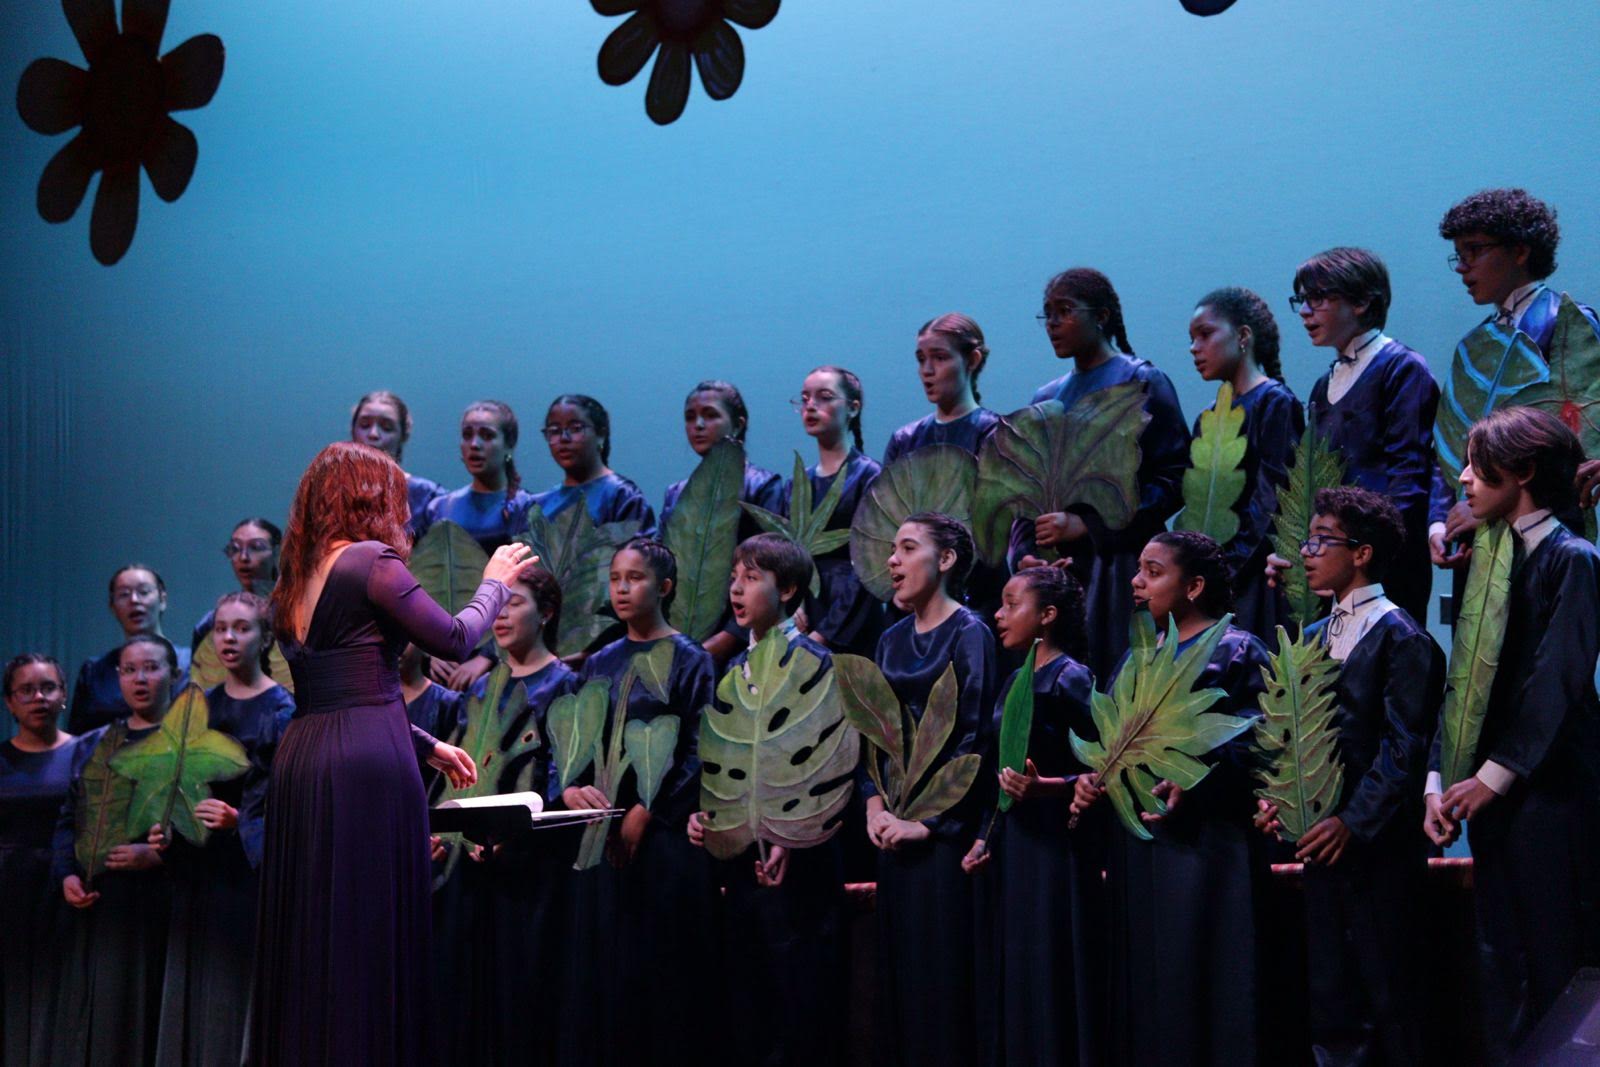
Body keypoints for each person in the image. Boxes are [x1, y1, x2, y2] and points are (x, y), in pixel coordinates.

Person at [248, 440, 535, 1066]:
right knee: (365, 929)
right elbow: (457, 640)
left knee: (319, 931)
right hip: (363, 767)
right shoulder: (371, 561)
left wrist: (426, 743)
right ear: (369, 498)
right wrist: (493, 584)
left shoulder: (292, 584)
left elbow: (335, 692)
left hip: (307, 758)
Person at [1423, 408, 1600, 1063]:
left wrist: (1492, 777)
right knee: (1503, 967)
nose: (1464, 479)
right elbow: (1463, 679)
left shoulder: (1572, 560)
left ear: (1522, 470)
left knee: (1560, 963)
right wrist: (1438, 780)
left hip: (1553, 796)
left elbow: (1555, 684)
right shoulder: (1484, 560)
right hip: (1491, 799)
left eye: (1477, 464)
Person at [1256, 487, 1442, 1065]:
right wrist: (1279, 802)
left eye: (1321, 541)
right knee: (1332, 1002)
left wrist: (1352, 823)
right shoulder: (1313, 637)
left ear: (1361, 553)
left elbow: (1404, 747)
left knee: (1390, 998)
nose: (1307, 552)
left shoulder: (1400, 635)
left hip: (1377, 848)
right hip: (1323, 851)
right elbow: (1296, 739)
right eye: (1307, 540)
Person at [1073, 531, 1271, 1067]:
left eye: (1153, 571)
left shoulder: (1237, 649)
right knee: (1149, 993)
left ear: (1194, 586)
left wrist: (1200, 785)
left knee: (1206, 985)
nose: (1136, 581)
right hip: (1140, 848)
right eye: (1138, 569)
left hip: (1208, 848)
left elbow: (1260, 740)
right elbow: (1112, 742)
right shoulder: (1138, 656)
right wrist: (1095, 780)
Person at [686, 533, 849, 1067]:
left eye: (752, 577)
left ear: (790, 588)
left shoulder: (815, 664)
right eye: (735, 576)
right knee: (749, 1010)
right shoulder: (733, 671)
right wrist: (709, 819)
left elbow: (828, 762)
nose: (736, 587)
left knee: (799, 1008)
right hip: (742, 871)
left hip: (800, 869)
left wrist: (788, 835)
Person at [557, 538, 717, 1067]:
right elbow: (574, 742)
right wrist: (570, 786)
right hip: (603, 837)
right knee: (608, 977)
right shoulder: (601, 660)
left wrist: (646, 813)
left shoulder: (690, 660)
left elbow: (698, 750)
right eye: (616, 579)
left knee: (664, 978)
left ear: (664, 587)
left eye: (636, 578)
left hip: (664, 839)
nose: (622, 588)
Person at [429, 566, 575, 1067]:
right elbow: (458, 770)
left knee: (524, 995)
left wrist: (519, 837)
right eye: (497, 604)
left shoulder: (564, 684)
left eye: (513, 602)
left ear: (547, 612)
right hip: (471, 866)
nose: (501, 614)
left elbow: (562, 775)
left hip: (529, 868)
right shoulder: (479, 690)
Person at [865, 513, 996, 1067]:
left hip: (943, 838)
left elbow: (974, 737)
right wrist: (873, 804)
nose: (892, 561)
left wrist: (929, 824)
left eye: (907, 548)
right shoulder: (890, 641)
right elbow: (870, 730)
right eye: (891, 550)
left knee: (942, 993)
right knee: (898, 987)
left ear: (944, 561)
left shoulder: (972, 632)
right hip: (890, 832)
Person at [961, 567, 1107, 1066]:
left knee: (1052, 968)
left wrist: (1048, 788)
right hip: (1017, 846)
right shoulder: (1014, 681)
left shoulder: (1071, 677)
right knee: (1020, 970)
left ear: (1047, 615)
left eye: (1010, 604)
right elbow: (1002, 776)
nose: (998, 615)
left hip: (1058, 849)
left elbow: (1106, 769)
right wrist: (985, 837)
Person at [1018, 268, 1191, 681]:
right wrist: (1029, 553)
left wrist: (1089, 526)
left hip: (1119, 568)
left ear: (1102, 316)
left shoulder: (1140, 380)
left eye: (1065, 311)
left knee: (1115, 683)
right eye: (1047, 314)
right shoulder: (1046, 398)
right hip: (1061, 575)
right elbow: (1026, 490)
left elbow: (1174, 477)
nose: (1054, 324)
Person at [154, 593, 295, 1067]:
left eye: (242, 628)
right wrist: (165, 829)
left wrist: (242, 822)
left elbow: (289, 800)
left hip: (245, 873)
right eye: (221, 629)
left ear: (266, 638)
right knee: (195, 983)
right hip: (196, 868)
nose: (229, 638)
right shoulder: (195, 707)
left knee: (237, 991)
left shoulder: (283, 711)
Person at [1430, 189, 1600, 574]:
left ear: (1520, 251)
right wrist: (1440, 523)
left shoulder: (1566, 322)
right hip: (1475, 549)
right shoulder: (1475, 345)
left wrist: (1495, 504)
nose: (1462, 266)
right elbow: (1449, 443)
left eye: (1474, 250)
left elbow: (1578, 440)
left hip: (1542, 543)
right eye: (1459, 254)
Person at [1280, 247, 1439, 625]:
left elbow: (1409, 477)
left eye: (1317, 299)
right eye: (1301, 300)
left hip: (1382, 564)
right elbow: (1316, 485)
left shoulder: (1401, 368)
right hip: (1339, 562)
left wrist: (1367, 556)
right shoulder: (1324, 385)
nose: (1305, 311)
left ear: (1363, 302)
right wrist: (1303, 549)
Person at [49, 635, 181, 1066]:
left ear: (174, 675)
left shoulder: (189, 743)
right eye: (130, 670)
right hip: (101, 904)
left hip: (164, 904)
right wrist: (67, 873)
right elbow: (70, 817)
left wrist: (160, 855)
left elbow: (205, 819)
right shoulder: (95, 744)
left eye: (152, 667)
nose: (140, 678)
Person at [1186, 287, 1304, 642]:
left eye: (1205, 334)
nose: (1195, 348)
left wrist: (1225, 569)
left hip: (1257, 576)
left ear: (1242, 336)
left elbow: (1272, 500)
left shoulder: (1276, 404)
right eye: (1192, 339)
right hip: (1219, 577)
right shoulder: (1208, 417)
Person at [415, 400, 538, 692]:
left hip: (501, 655)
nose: (475, 444)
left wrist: (488, 657)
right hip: (440, 658)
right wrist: (431, 649)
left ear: (509, 445)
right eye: (467, 435)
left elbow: (528, 591)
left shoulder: (523, 507)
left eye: (486, 435)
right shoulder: (439, 509)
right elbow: (421, 585)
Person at [660, 380, 784, 668]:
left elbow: (769, 570)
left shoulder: (764, 486)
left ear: (738, 424)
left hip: (742, 638)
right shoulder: (675, 494)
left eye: (710, 415)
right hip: (679, 638)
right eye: (690, 417)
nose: (698, 424)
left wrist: (729, 636)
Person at [0, 653, 76, 1065]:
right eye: (25, 691)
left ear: (63, 695)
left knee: (59, 990)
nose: (38, 697)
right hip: (9, 889)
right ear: (10, 703)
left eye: (48, 688)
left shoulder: (85, 752)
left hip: (65, 888)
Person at [783, 365, 885, 657]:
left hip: (853, 614)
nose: (811, 406)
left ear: (853, 408)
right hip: (805, 610)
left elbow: (869, 566)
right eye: (804, 399)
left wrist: (823, 635)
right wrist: (795, 606)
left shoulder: (869, 476)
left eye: (824, 397)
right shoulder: (797, 484)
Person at [68, 565, 190, 734]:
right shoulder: (95, 671)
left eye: (144, 592)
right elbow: (79, 737)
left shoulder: (192, 663)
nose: (134, 600)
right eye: (124, 594)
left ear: (162, 600)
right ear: (112, 607)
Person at [882, 314, 1000, 464]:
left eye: (940, 358)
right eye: (921, 360)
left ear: (972, 360)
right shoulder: (905, 439)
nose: (927, 370)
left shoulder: (996, 433)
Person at [526, 394, 655, 529]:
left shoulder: (622, 495)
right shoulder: (539, 504)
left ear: (601, 434)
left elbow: (638, 548)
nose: (564, 438)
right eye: (555, 431)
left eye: (575, 429)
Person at [189, 517, 282, 665]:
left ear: (277, 552)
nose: (243, 557)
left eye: (256, 547)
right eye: (235, 549)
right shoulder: (211, 623)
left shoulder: (295, 615)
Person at [351, 389, 445, 530]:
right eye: (365, 425)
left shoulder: (427, 498)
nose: (373, 434)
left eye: (386, 427)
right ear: (353, 431)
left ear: (403, 435)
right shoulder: (329, 493)